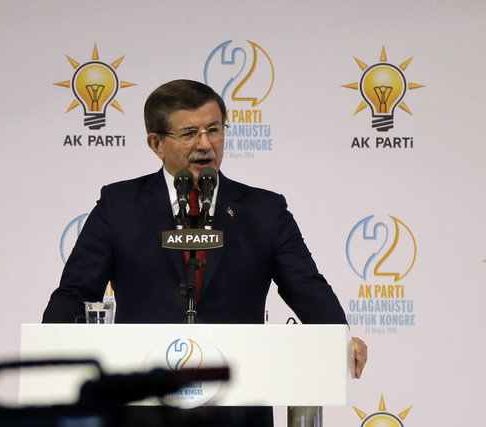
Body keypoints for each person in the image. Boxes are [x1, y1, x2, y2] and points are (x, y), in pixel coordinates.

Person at [43, 79, 367, 375]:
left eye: (214, 129)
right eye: (189, 133)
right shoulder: (119, 206)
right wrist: (49, 352)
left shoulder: (264, 210)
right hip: (143, 397)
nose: (205, 144)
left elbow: (306, 286)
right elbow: (76, 293)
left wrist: (339, 337)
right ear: (156, 143)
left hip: (239, 394)